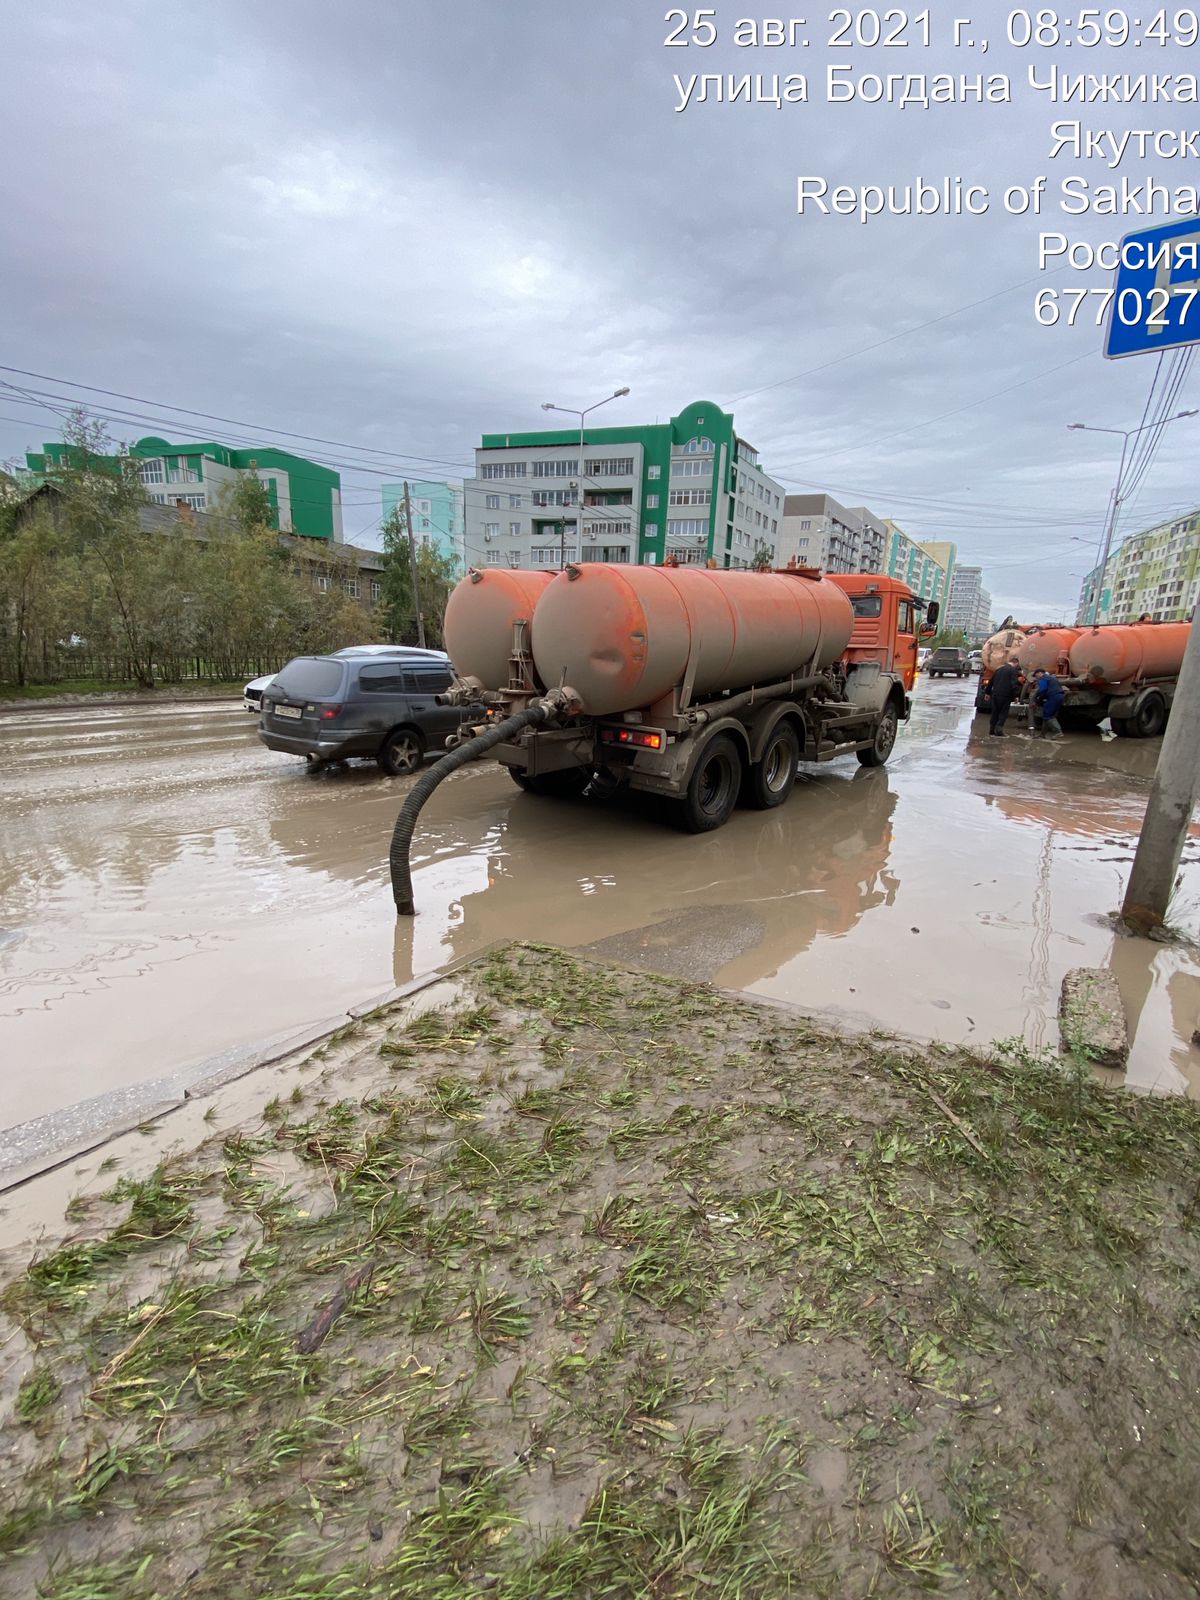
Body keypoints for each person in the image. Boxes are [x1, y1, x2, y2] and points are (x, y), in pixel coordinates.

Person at [988, 656, 1021, 736]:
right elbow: (1014, 684)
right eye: (1017, 665)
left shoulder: (999, 670)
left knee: (995, 712)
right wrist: (1016, 695)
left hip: (995, 694)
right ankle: (999, 730)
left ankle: (992, 730)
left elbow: (991, 681)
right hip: (1005, 695)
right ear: (1016, 663)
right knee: (1003, 713)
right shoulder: (1013, 671)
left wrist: (987, 692)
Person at [1033, 668, 1066, 738]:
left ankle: (1058, 732)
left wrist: (1039, 700)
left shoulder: (1043, 678)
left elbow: (1043, 690)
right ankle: (1042, 734)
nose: (1036, 678)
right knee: (1047, 715)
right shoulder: (1052, 677)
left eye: (1036, 675)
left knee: (1048, 715)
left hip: (1053, 697)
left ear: (1040, 673)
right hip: (1060, 696)